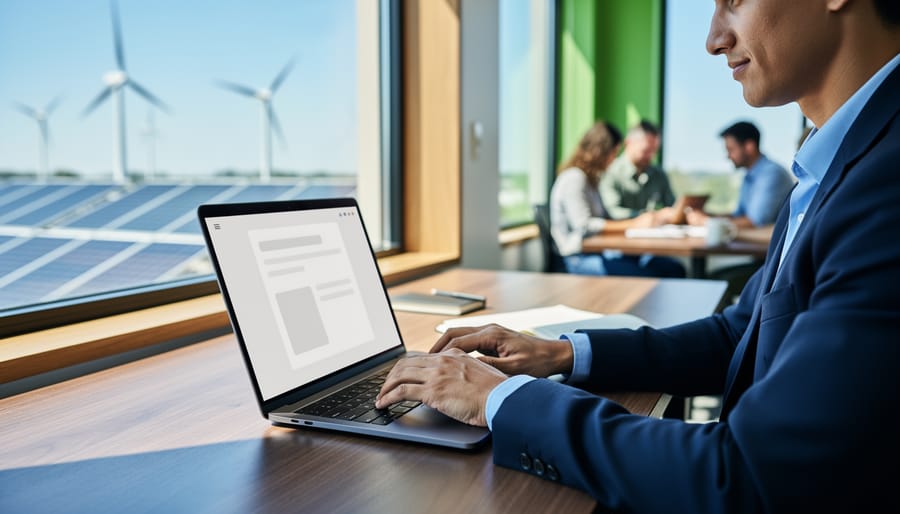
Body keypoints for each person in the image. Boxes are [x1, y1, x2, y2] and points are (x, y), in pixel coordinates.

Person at [377, 1, 900, 511]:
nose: (714, 38)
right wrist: (564, 354)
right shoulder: (835, 164)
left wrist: (501, 398)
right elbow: (742, 333)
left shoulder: (885, 185)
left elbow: (747, 476)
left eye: (733, 1)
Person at [549, 120, 686, 278]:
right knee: (647, 275)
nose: (614, 159)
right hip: (576, 258)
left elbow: (602, 218)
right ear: (600, 151)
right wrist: (634, 224)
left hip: (598, 252)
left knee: (672, 268)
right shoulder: (574, 178)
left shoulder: (591, 181)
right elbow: (584, 226)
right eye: (613, 153)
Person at [686, 121, 795, 228]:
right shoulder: (749, 175)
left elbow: (755, 222)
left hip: (765, 244)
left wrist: (706, 222)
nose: (728, 156)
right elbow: (739, 215)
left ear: (749, 146)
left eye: (731, 150)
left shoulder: (772, 174)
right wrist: (708, 216)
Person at [599, 119, 676, 220]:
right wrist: (649, 217)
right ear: (628, 143)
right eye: (646, 151)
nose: (651, 156)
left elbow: (672, 206)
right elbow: (612, 212)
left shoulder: (659, 175)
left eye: (654, 151)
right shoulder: (610, 172)